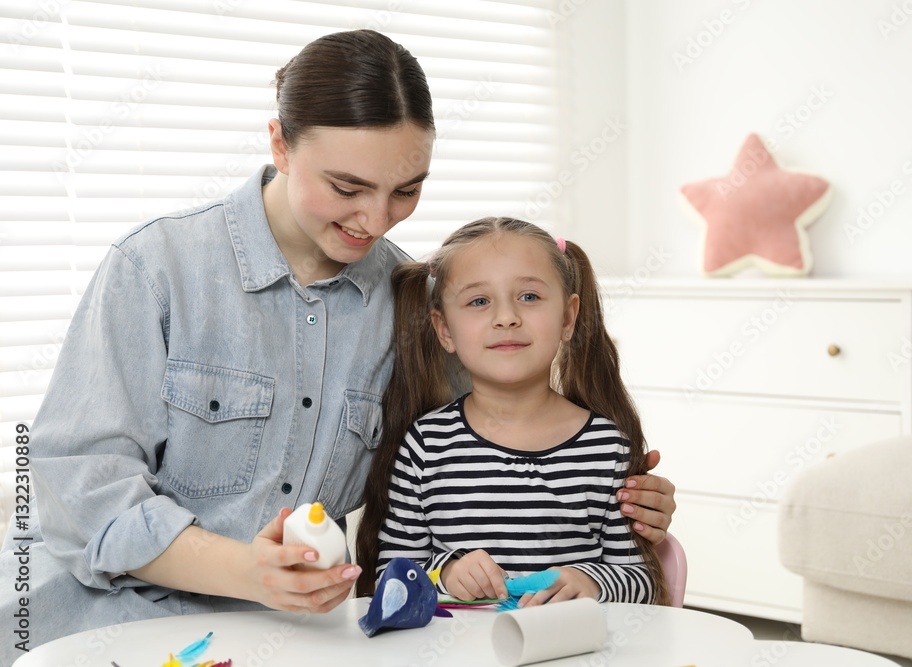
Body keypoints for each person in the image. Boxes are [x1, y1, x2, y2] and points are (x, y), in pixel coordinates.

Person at [0, 30, 675, 660]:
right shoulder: (156, 267)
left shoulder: (412, 301)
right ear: (281, 145)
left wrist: (631, 500)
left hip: (282, 633)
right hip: (95, 619)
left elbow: (494, 447)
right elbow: (77, 489)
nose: (375, 220)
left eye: (406, 190)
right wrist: (247, 569)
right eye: (347, 188)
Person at [356, 217, 669, 607]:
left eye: (529, 297)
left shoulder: (607, 447)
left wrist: (589, 582)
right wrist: (448, 575)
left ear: (568, 318)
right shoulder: (426, 446)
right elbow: (391, 580)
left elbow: (641, 582)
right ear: (444, 329)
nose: (506, 317)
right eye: (479, 301)